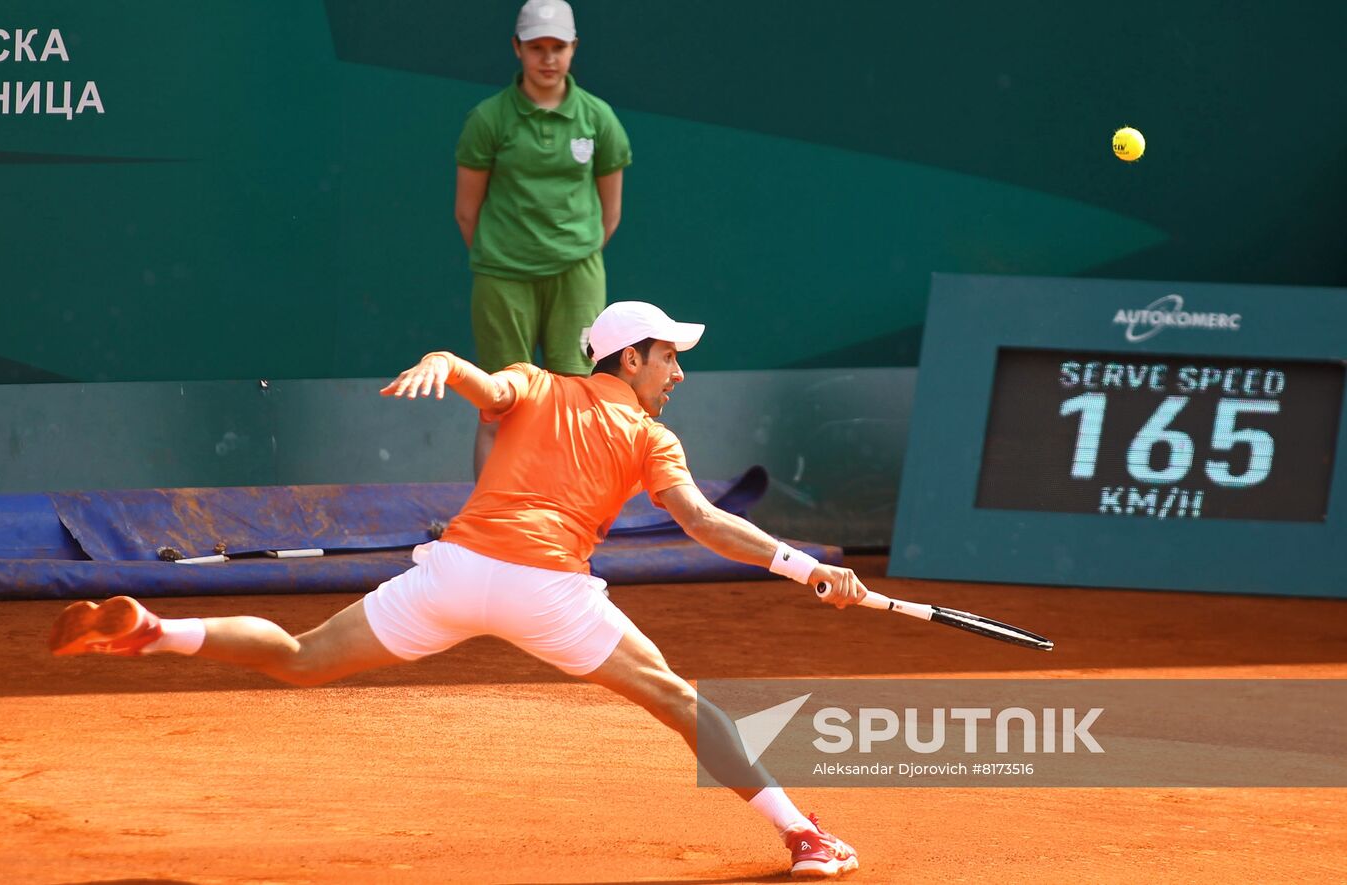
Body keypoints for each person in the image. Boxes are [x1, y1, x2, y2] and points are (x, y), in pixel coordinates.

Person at [48, 301, 864, 879]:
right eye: (669, 355)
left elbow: (488, 390)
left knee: (301, 656)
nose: (678, 372)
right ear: (629, 358)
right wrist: (805, 565)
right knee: (683, 703)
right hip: (547, 587)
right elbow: (704, 524)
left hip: (456, 573)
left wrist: (450, 363)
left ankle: (158, 627)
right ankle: (805, 836)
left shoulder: (539, 384)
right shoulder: (652, 436)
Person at [455, 0, 631, 477]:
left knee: (576, 401)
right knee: (499, 401)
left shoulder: (599, 119)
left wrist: (572, 253)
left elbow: (609, 214)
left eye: (558, 47)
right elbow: (466, 211)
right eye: (537, 48)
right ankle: (488, 525)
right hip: (502, 276)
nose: (548, 58)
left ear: (574, 49)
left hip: (577, 275)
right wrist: (505, 257)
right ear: (517, 48)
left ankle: (561, 522)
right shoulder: (487, 119)